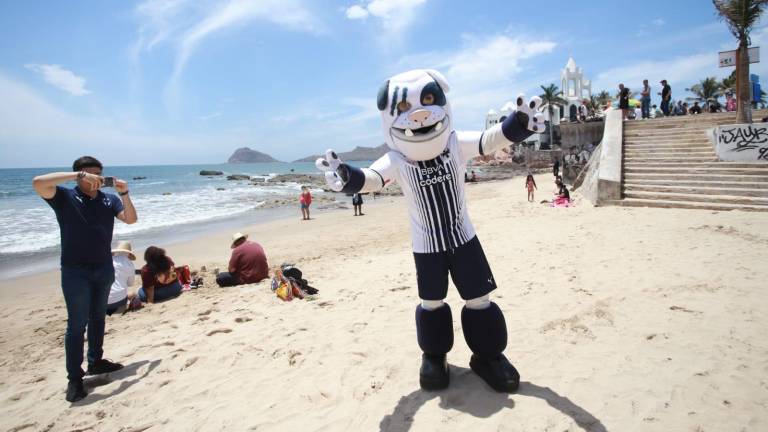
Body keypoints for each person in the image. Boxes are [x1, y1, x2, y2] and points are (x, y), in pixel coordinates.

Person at [32, 155, 137, 402]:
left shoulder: (109, 199)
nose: (94, 179)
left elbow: (131, 219)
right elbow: (38, 182)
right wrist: (77, 176)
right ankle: (74, 379)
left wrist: (124, 192)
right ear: (79, 176)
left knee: (98, 317)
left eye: (98, 174)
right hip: (75, 270)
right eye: (88, 174)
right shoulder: (65, 197)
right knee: (77, 324)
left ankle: (96, 362)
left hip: (103, 267)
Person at [106, 241, 137, 316]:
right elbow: (130, 284)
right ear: (129, 253)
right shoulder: (130, 265)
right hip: (119, 302)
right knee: (133, 294)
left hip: (102, 302)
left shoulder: (107, 261)